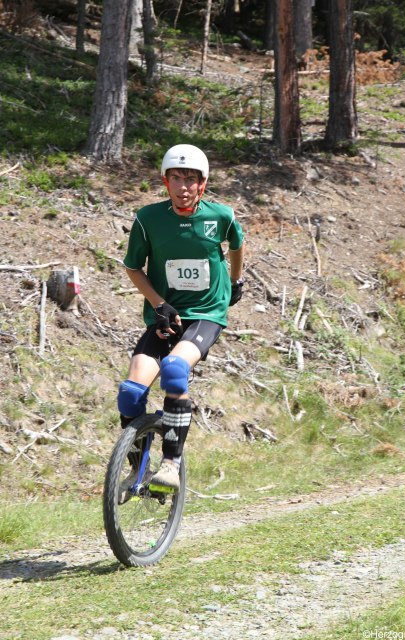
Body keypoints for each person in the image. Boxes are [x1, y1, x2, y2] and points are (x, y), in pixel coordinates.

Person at [117, 144, 245, 499]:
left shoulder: (221, 216)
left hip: (206, 313)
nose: (183, 186)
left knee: (174, 370)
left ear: (202, 184)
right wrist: (158, 303)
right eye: (176, 178)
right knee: (130, 392)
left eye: (191, 179)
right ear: (166, 181)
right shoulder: (148, 219)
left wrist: (236, 281)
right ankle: (136, 468)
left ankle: (170, 464)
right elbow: (133, 267)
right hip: (166, 313)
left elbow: (236, 244)